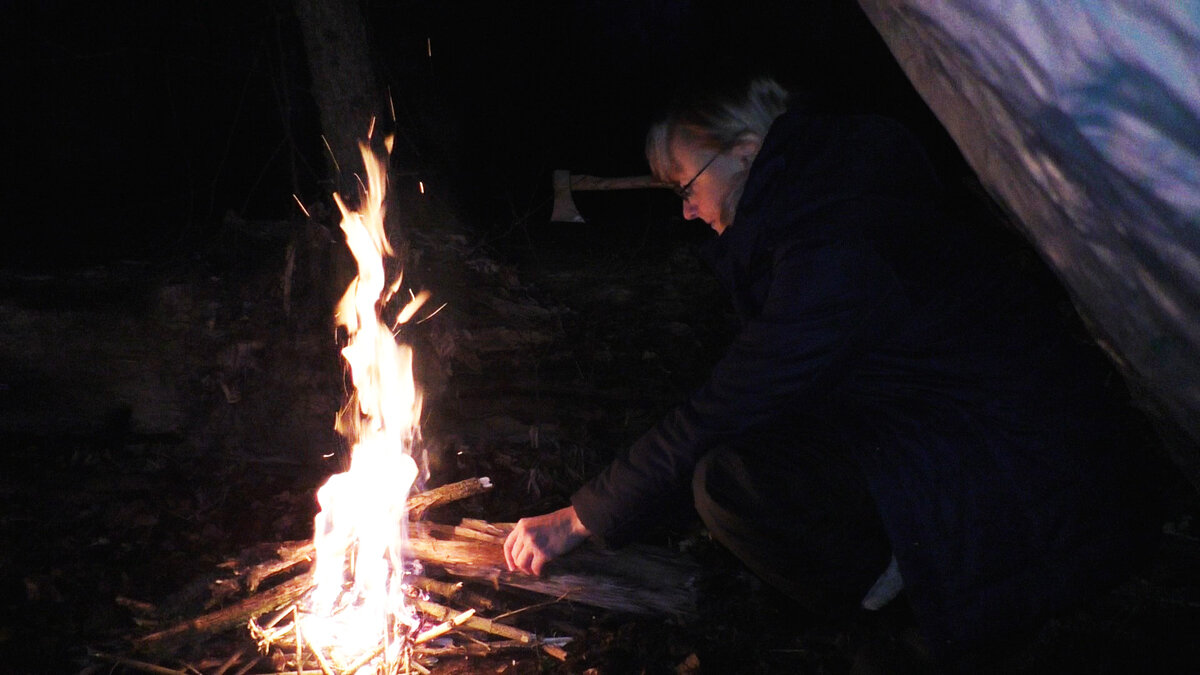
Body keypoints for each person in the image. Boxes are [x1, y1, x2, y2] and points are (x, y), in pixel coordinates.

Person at [503, 76, 1158, 664]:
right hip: (964, 434)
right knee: (747, 465)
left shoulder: (836, 243)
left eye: (686, 185)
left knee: (734, 483)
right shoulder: (827, 204)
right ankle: (913, 585)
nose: (686, 210)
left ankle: (931, 615)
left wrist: (582, 517)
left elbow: (737, 398)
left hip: (1025, 471)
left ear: (747, 150)